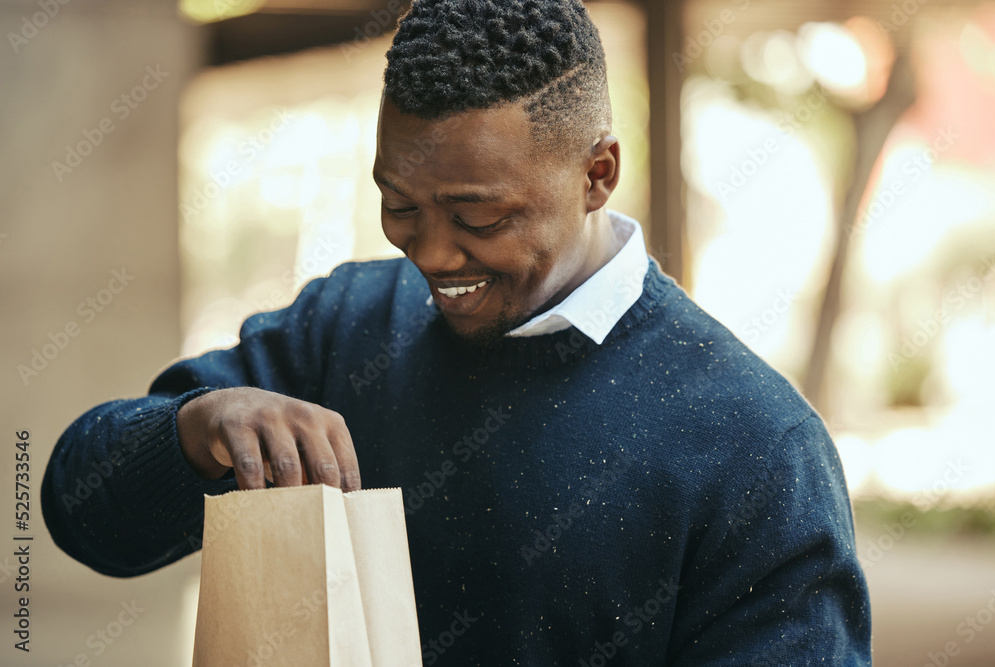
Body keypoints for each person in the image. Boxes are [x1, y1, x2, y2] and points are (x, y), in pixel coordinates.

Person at [42, 0, 873, 664]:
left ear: (598, 173)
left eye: (478, 215)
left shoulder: (758, 449)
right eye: (400, 205)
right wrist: (195, 429)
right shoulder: (345, 326)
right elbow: (80, 512)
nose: (432, 255)